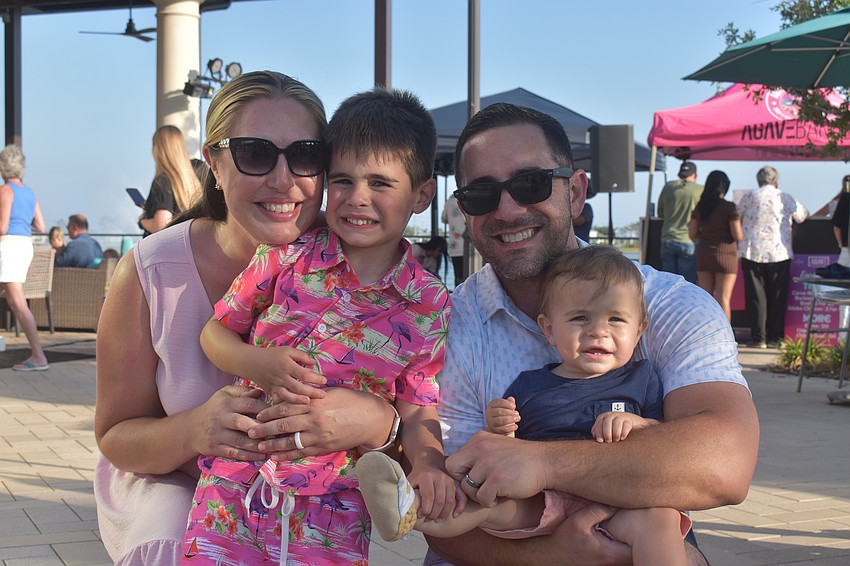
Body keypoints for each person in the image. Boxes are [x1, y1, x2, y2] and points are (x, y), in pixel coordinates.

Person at [424, 103, 758, 566]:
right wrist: (555, 555)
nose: (508, 209)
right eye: (481, 194)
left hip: (631, 531)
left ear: (576, 192)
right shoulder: (448, 325)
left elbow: (725, 465)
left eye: (531, 183)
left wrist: (541, 462)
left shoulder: (670, 305)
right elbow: (443, 521)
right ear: (464, 210)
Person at [94, 71, 401, 565]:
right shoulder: (151, 271)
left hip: (303, 511)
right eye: (255, 154)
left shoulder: (371, 272)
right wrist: (195, 429)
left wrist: (377, 420)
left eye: (305, 154)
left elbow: (424, 420)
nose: (283, 179)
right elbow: (115, 436)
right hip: (176, 488)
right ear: (215, 165)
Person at [184, 88, 452, 564]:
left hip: (335, 509)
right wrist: (255, 363)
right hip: (233, 486)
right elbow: (214, 333)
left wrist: (430, 464)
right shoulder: (286, 256)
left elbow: (418, 408)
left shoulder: (429, 304)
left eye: (381, 183)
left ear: (422, 195)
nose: (358, 198)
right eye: (343, 180)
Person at [359, 245, 690, 566]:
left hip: (617, 501)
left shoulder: (641, 379)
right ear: (550, 329)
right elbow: (509, 451)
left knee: (659, 519)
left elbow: (663, 437)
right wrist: (500, 426)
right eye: (580, 318)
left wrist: (638, 424)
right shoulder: (530, 385)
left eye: (616, 319)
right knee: (483, 502)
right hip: (541, 500)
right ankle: (410, 508)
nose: (598, 332)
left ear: (639, 330)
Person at [737, 165, 808, 349]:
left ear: (758, 180)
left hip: (752, 251)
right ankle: (775, 338)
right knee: (778, 296)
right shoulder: (784, 197)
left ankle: (758, 338)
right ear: (776, 181)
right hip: (779, 252)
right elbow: (802, 215)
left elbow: (737, 216)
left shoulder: (749, 197)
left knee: (756, 297)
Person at [0, 144, 48, 372]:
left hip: (9, 245)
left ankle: (39, 356)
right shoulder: (29, 192)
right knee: (13, 299)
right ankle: (38, 355)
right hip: (24, 245)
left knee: (18, 303)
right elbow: (41, 226)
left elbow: (2, 227)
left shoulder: (5, 191)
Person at [688, 171, 743, 322]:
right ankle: (725, 334)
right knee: (723, 299)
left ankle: (704, 331)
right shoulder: (729, 207)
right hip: (726, 256)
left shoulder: (701, 207)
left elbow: (692, 233)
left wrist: (705, 235)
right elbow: (738, 235)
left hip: (705, 255)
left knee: (706, 298)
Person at [139, 125, 201, 237]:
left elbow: (161, 225)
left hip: (170, 245)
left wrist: (142, 221)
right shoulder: (199, 170)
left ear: (157, 148)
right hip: (194, 241)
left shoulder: (162, 181)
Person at [657, 161, 703, 283]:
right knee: (686, 285)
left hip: (667, 239)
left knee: (667, 283)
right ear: (695, 175)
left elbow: (660, 213)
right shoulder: (700, 190)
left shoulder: (668, 187)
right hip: (688, 241)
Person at [442, 194, 466, 287]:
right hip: (469, 245)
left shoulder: (449, 200)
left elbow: (444, 219)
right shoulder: (467, 196)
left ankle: (459, 293)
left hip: (454, 246)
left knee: (458, 276)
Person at [831, 174, 850, 267]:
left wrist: (841, 245)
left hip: (847, 248)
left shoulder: (845, 199)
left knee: (842, 273)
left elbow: (837, 228)